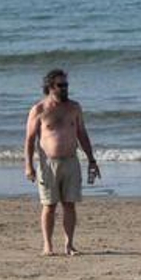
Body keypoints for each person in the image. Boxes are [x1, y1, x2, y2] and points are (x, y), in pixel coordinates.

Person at [24, 68, 100, 256]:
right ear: (50, 87)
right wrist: (28, 166)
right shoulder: (39, 109)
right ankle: (48, 245)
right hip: (47, 164)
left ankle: (69, 244)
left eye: (66, 85)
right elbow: (29, 139)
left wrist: (92, 159)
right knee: (49, 205)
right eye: (61, 85)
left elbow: (82, 134)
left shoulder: (74, 107)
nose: (65, 89)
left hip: (71, 162)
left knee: (69, 204)